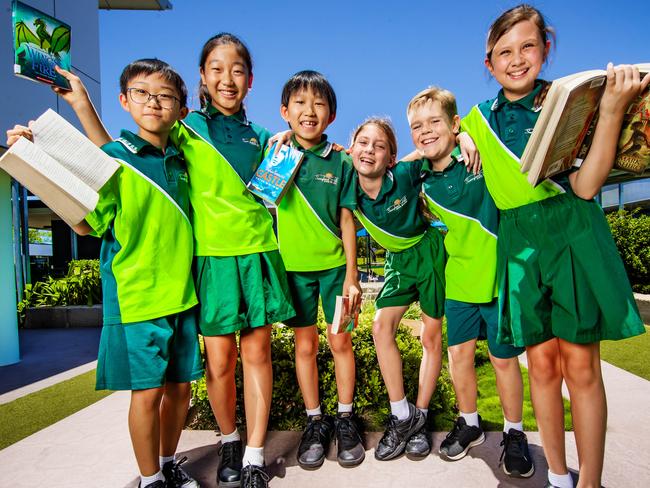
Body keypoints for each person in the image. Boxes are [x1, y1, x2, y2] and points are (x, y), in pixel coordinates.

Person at [460, 5, 648, 487]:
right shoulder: (479, 120)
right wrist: (460, 132)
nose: (517, 59)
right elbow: (429, 139)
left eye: (528, 46)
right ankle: (559, 476)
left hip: (572, 233)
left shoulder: (575, 101)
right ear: (488, 63)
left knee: (580, 363)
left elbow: (586, 187)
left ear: (546, 47)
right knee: (540, 363)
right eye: (504, 51)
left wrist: (610, 110)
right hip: (520, 243)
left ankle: (590, 481)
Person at [7, 59, 204, 488]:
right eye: (141, 92)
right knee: (148, 394)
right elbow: (82, 223)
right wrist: (30, 158)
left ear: (181, 110)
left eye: (165, 95)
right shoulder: (113, 159)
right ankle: (150, 478)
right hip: (136, 298)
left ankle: (168, 463)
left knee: (180, 390)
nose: (153, 101)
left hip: (184, 297)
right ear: (124, 100)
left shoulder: (183, 161)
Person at [169, 33, 296, 488]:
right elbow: (126, 158)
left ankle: (254, 455)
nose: (227, 79)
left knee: (257, 354)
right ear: (202, 76)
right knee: (219, 363)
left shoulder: (265, 139)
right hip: (212, 260)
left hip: (256, 254)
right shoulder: (184, 129)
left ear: (250, 79)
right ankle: (229, 441)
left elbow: (282, 187)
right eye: (217, 69)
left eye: (237, 69)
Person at [410, 86, 532, 477]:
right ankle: (470, 423)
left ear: (455, 123)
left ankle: (515, 433)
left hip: (498, 278)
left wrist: (466, 137)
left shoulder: (478, 154)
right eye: (417, 126)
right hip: (458, 281)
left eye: (435, 123)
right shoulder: (420, 178)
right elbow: (385, 164)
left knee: (503, 360)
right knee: (458, 357)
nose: (426, 131)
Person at [349, 117, 446, 461]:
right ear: (351, 149)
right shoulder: (348, 185)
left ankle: (420, 417)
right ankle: (401, 415)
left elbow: (432, 148)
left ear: (391, 158)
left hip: (429, 252)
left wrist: (464, 139)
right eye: (363, 142)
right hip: (398, 263)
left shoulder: (403, 174)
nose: (369, 150)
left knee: (430, 338)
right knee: (380, 326)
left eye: (379, 146)